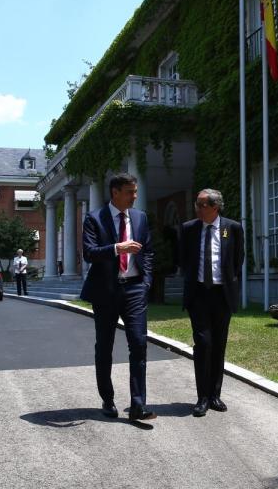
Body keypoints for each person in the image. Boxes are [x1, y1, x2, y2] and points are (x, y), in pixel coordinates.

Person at [80, 173, 156, 421]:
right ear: (115, 192)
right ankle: (108, 399)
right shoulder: (94, 218)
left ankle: (138, 404)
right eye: (130, 191)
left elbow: (148, 251)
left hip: (135, 289)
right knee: (105, 347)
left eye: (135, 191)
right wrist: (117, 248)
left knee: (139, 343)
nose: (135, 196)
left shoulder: (140, 217)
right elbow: (89, 253)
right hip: (106, 291)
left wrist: (146, 283)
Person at [179, 189, 244, 417]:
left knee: (218, 344)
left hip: (221, 295)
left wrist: (227, 283)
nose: (197, 209)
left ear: (215, 207)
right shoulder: (189, 229)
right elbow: (185, 259)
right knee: (203, 343)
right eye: (196, 204)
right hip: (198, 295)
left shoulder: (232, 228)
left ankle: (215, 395)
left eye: (201, 205)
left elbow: (238, 261)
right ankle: (202, 397)